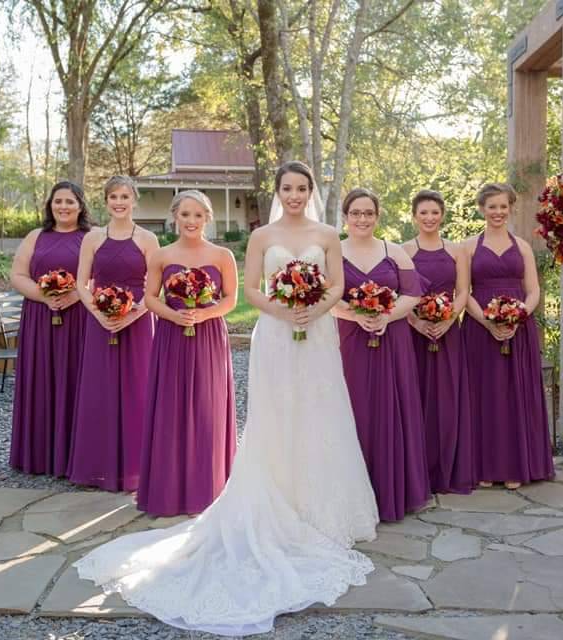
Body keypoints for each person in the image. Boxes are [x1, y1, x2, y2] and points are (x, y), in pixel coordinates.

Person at [74, 161, 379, 636]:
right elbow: (252, 290)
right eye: (287, 188)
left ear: (311, 192)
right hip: (275, 335)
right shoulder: (261, 236)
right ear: (278, 192)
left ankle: (320, 507)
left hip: (317, 333)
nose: (295, 195)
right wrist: (283, 309)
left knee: (322, 413)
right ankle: (275, 498)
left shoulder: (327, 234)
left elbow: (337, 284)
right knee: (276, 416)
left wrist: (314, 308)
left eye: (302, 188)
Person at [137, 190, 238, 516]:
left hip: (207, 335)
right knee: (171, 406)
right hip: (171, 336)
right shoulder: (161, 256)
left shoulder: (223, 255)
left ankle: (208, 487)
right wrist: (174, 315)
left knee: (207, 407)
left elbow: (230, 300)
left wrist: (203, 314)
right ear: (175, 217)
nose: (191, 221)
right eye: (185, 215)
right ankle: (168, 490)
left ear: (207, 218)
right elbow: (151, 297)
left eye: (198, 215)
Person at [332, 187, 431, 521]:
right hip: (350, 339)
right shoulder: (333, 251)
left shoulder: (394, 252)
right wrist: (356, 315)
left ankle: (393, 490)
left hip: (393, 340)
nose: (363, 219)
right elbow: (327, 296)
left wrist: (386, 316)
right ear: (345, 217)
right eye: (356, 213)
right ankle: (355, 492)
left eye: (369, 213)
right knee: (355, 406)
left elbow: (412, 293)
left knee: (391, 407)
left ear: (377, 216)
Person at [67, 176, 158, 492]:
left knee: (138, 390)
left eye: (125, 196)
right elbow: (81, 283)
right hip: (99, 321)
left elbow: (154, 288)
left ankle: (137, 468)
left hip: (138, 322)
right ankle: (97, 466)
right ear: (105, 201)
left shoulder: (148, 239)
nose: (119, 202)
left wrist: (132, 314)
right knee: (99, 390)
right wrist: (100, 315)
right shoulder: (92, 238)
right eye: (113, 197)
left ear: (134, 199)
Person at [463, 183, 554, 489]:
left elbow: (533, 290)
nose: (498, 212)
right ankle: (485, 467)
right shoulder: (469, 247)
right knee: (485, 395)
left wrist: (518, 317)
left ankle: (517, 466)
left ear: (511, 208)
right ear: (481, 209)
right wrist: (489, 323)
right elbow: (464, 293)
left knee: (516, 394)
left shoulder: (523, 246)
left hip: (519, 329)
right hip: (479, 330)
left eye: (503, 206)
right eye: (492, 207)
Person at [9, 181, 90, 476]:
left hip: (80, 318)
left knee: (77, 379)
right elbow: (17, 275)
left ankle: (76, 455)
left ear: (80, 205)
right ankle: (40, 454)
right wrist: (46, 296)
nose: (63, 207)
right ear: (50, 205)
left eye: (70, 201)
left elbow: (101, 276)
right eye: (58, 201)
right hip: (40, 318)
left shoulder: (91, 237)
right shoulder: (36, 236)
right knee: (42, 377)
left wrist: (72, 295)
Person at [403, 189, 475, 494]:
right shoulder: (404, 250)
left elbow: (463, 292)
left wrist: (447, 321)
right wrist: (417, 322)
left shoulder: (458, 251)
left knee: (447, 400)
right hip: (414, 334)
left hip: (449, 335)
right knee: (417, 399)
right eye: (423, 213)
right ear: (414, 216)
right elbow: (401, 293)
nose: (429, 218)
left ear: (442, 214)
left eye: (434, 212)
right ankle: (419, 473)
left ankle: (449, 468)